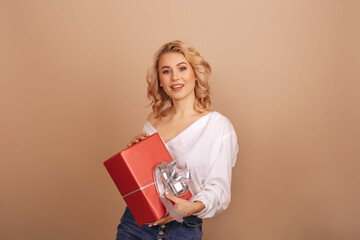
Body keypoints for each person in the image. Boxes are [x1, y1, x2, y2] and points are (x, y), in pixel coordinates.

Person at [116, 40, 239, 240]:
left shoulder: (217, 126)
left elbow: (219, 189)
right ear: (160, 81)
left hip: (182, 229)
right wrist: (133, 154)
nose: (175, 77)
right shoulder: (153, 121)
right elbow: (146, 179)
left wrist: (191, 207)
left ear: (195, 74)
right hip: (136, 226)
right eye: (166, 71)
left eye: (182, 68)